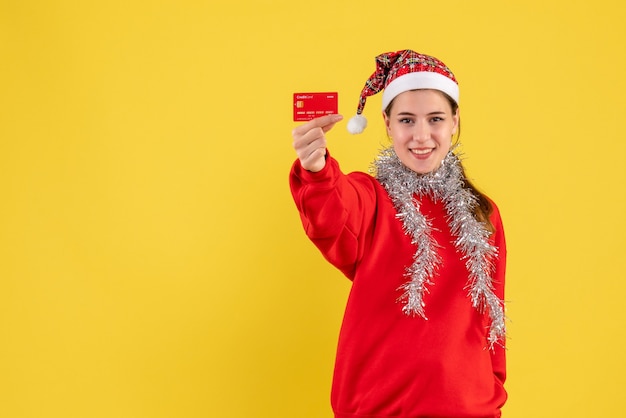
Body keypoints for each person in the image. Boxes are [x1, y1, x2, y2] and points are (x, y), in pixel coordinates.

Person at [289, 50, 507, 418]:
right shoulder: (370, 197)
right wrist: (317, 168)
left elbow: (492, 314)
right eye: (407, 120)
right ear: (388, 124)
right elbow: (333, 214)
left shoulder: (483, 211)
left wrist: (492, 389)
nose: (421, 136)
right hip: (378, 407)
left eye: (435, 119)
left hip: (468, 408)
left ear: (454, 122)